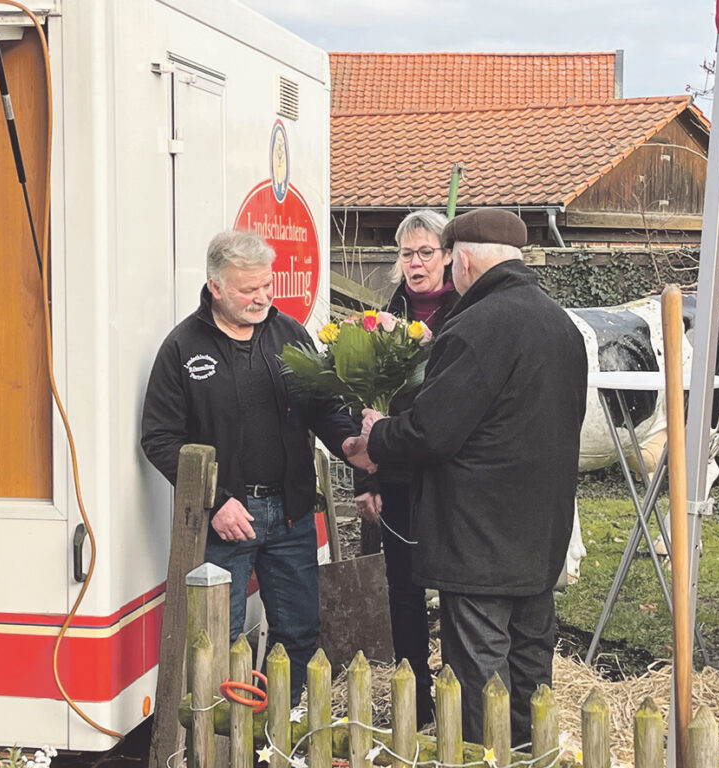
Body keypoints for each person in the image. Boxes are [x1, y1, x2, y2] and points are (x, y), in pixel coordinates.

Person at [345, 209, 588, 743]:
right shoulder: (561, 324)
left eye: (446, 257)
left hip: (479, 541)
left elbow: (434, 432)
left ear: (465, 258)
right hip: (540, 537)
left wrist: (378, 435)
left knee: (479, 683)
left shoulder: (475, 327)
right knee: (530, 676)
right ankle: (531, 755)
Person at [141, 230, 358, 705]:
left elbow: (322, 406)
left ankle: (282, 739)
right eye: (247, 290)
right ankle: (226, 743)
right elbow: (158, 438)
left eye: (266, 286)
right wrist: (214, 503)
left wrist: (352, 444)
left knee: (299, 632)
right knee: (223, 638)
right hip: (226, 521)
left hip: (292, 513)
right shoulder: (182, 348)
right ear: (216, 287)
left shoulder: (289, 334)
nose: (261, 298)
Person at [352, 209, 457, 724]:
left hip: (451, 479)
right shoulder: (383, 319)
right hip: (394, 476)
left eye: (425, 253)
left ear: (447, 256)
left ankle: (463, 697)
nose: (415, 263)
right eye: (406, 254)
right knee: (404, 587)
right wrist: (367, 478)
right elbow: (365, 402)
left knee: (458, 586)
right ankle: (415, 699)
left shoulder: (463, 313)